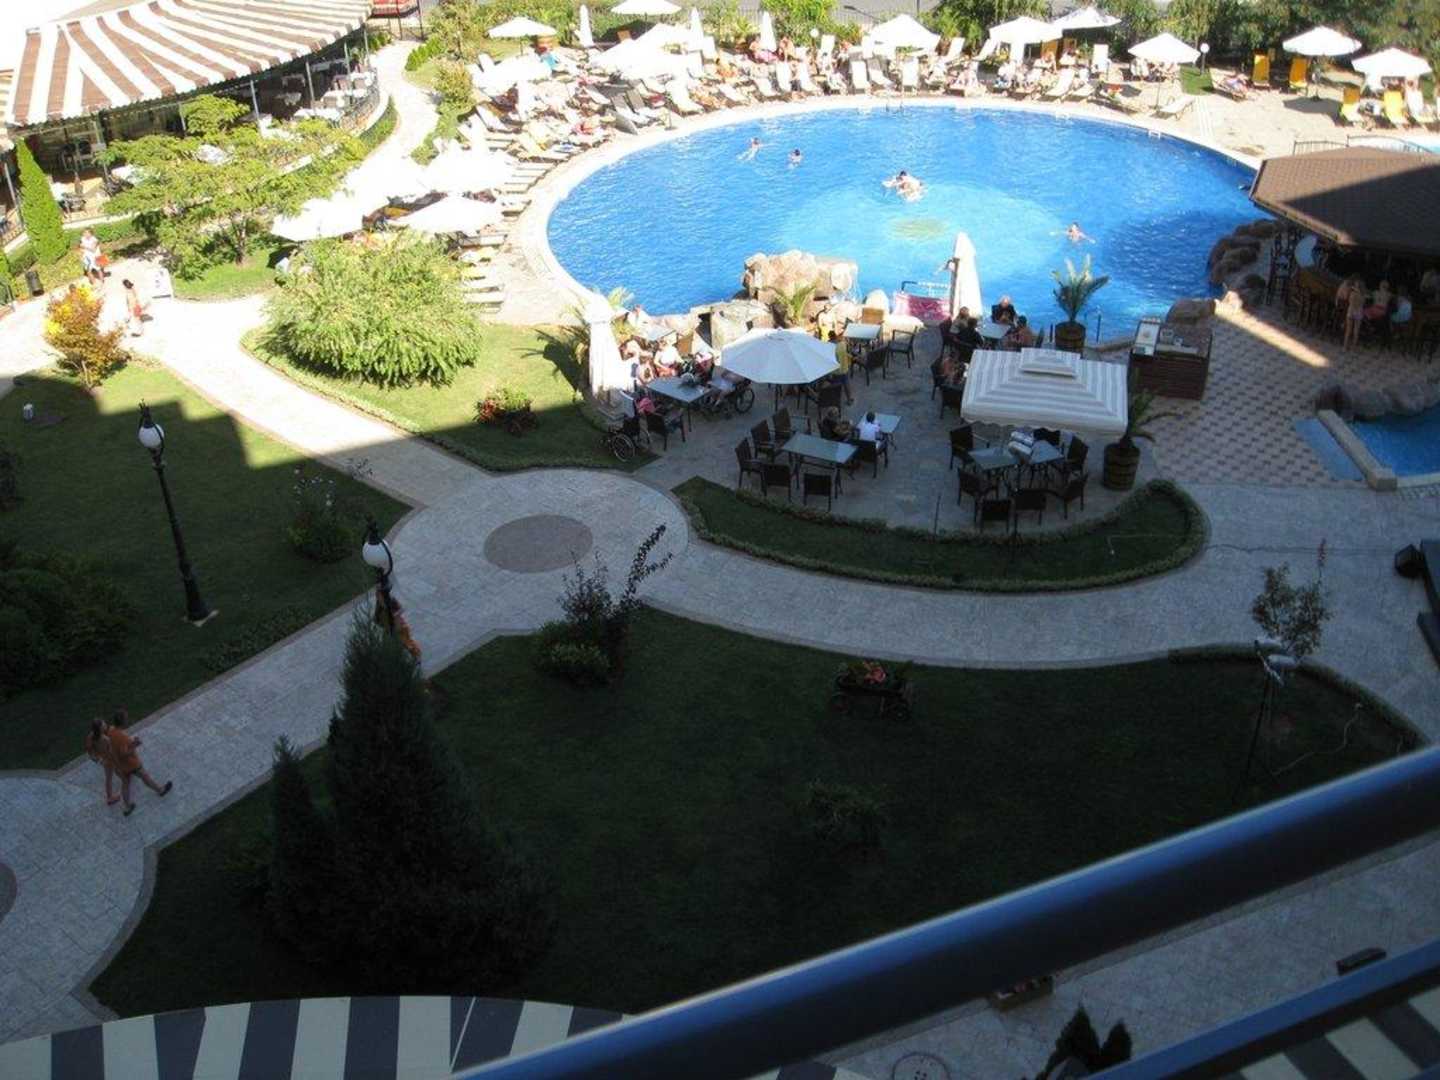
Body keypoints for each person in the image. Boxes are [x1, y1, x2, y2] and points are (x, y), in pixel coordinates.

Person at [107, 708, 173, 816]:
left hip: (120, 765)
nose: (128, 720)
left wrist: (131, 743)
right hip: (130, 764)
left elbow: (117, 748)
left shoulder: (111, 731)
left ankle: (127, 807)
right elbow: (124, 753)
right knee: (145, 776)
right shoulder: (122, 736)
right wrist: (135, 744)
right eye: (126, 718)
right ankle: (160, 790)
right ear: (122, 721)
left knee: (125, 784)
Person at [84, 717, 119, 806]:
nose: (105, 724)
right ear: (100, 728)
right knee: (109, 777)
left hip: (104, 759)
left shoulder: (91, 736)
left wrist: (98, 760)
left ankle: (124, 775)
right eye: (104, 724)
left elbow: (89, 750)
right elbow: (111, 752)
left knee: (112, 773)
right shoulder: (105, 739)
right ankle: (110, 797)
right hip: (109, 760)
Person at [1343, 276, 1366, 351]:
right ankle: (1353, 347)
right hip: (1358, 312)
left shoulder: (1352, 293)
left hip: (1351, 310)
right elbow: (1362, 304)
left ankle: (1345, 346)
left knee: (1348, 330)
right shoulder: (1363, 295)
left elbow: (1348, 300)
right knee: (1356, 331)